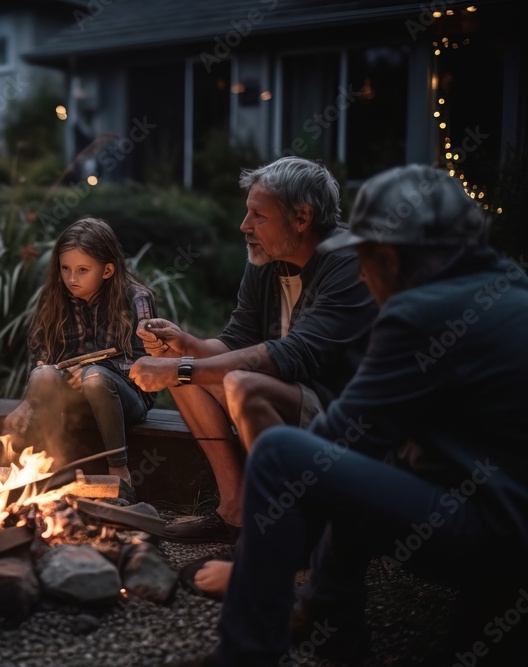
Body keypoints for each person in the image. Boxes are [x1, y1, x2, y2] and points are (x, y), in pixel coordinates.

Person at [193, 164, 528, 666]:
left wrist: (257, 564)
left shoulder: (419, 315)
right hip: (500, 510)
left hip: (497, 534)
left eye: (362, 259)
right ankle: (330, 620)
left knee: (286, 455)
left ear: (388, 257)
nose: (360, 273)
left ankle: (245, 653)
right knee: (362, 468)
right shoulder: (511, 289)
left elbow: (333, 446)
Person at [129, 156, 377, 594]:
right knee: (183, 371)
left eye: (259, 215)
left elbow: (293, 355)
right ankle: (235, 510)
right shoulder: (267, 258)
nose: (245, 225)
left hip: (339, 411)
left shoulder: (346, 261)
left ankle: (285, 533)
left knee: (229, 380)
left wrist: (186, 365)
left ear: (302, 218)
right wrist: (183, 346)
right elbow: (237, 341)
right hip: (285, 393)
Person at [2, 217, 157, 494]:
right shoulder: (54, 298)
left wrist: (93, 369)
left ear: (107, 270)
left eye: (83, 270)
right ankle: (50, 465)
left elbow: (145, 366)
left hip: (125, 398)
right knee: (43, 373)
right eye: (65, 268)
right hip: (72, 400)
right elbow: (42, 355)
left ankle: (119, 471)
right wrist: (33, 397)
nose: (71, 278)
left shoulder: (135, 298)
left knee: (96, 378)